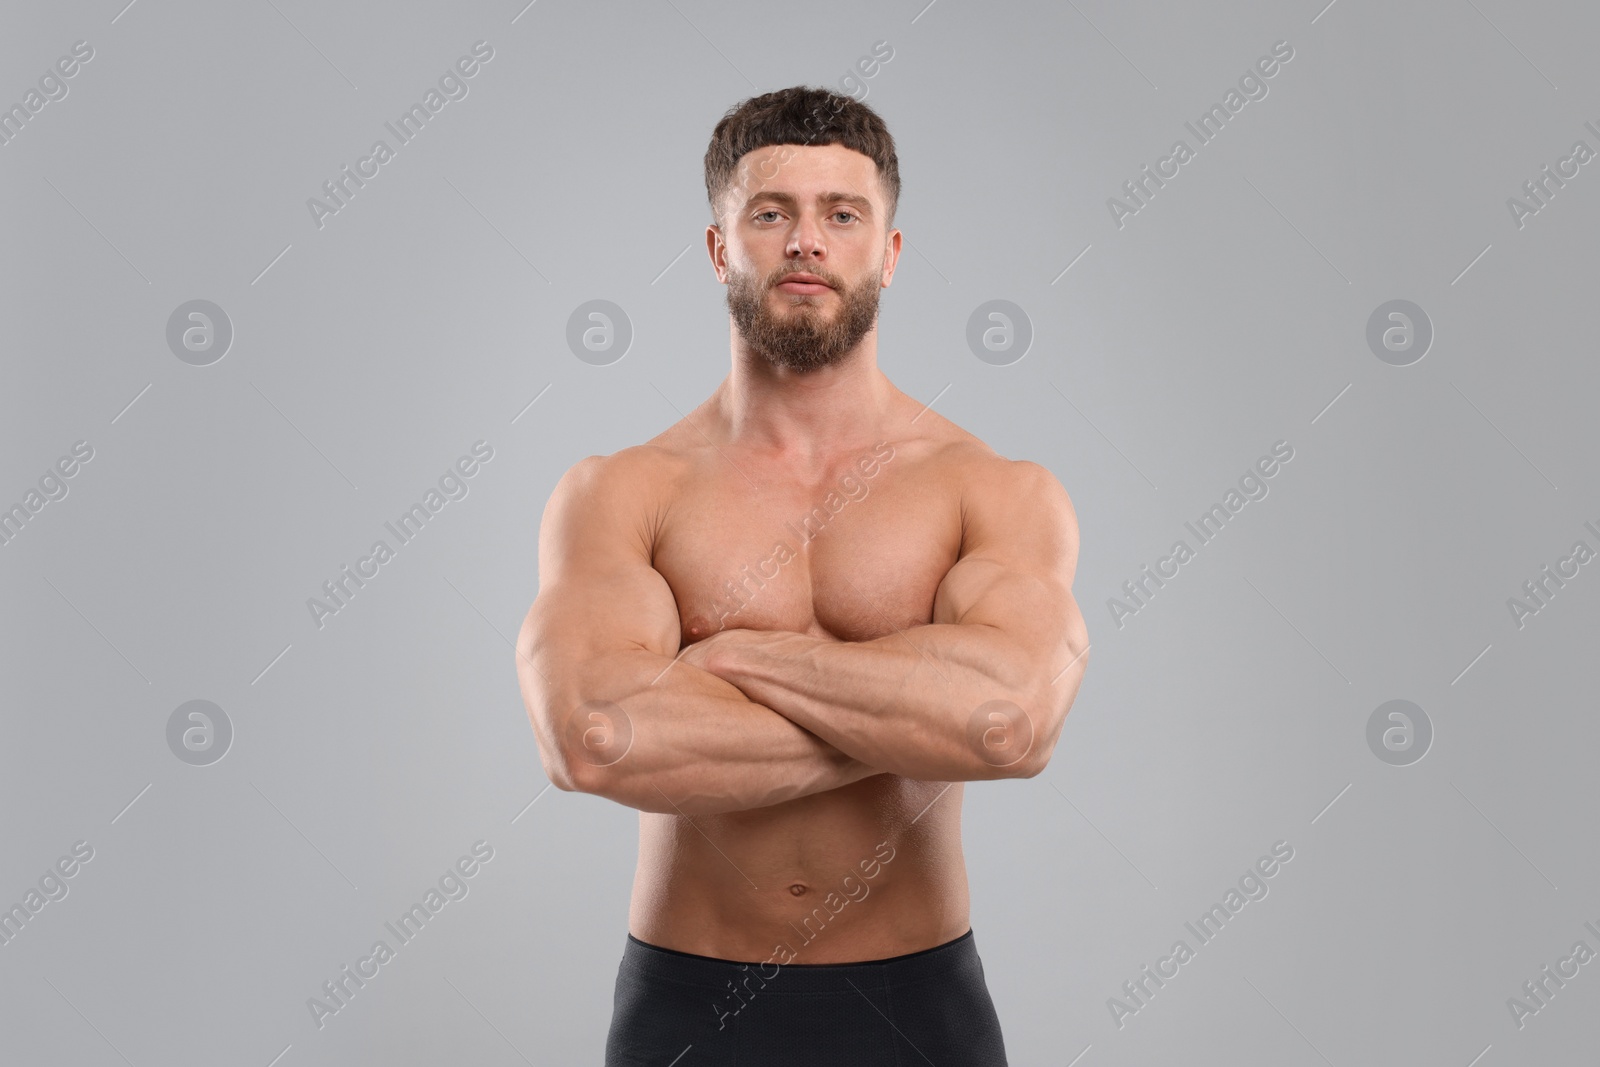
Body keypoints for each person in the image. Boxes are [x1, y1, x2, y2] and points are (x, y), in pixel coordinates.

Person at [516, 85, 1088, 1066]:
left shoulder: (989, 488)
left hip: (917, 1003)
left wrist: (727, 654)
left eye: (842, 214)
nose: (805, 242)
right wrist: (914, 708)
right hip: (688, 1003)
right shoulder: (622, 491)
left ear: (890, 254)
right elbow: (598, 738)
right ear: (717, 249)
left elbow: (1006, 724)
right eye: (770, 213)